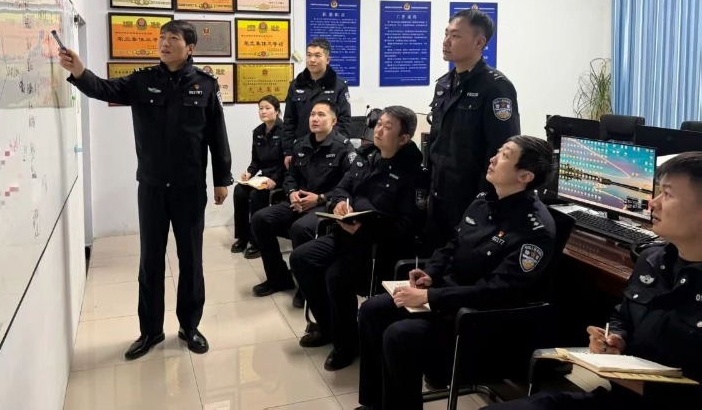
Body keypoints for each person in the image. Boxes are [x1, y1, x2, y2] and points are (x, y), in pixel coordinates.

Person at [58, 20, 232, 359]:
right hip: (152, 186)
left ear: (190, 48)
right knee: (150, 260)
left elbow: (217, 135)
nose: (164, 43)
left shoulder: (206, 85)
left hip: (189, 187)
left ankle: (190, 326)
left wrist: (221, 179)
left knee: (191, 259)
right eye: (162, 38)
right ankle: (150, 331)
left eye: (173, 38)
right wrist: (79, 71)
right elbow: (104, 89)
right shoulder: (142, 80)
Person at [487, 152, 702, 410]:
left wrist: (637, 384)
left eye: (667, 194)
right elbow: (623, 317)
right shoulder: (652, 259)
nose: (652, 203)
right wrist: (616, 338)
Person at [356, 136, 557, 410]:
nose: (493, 158)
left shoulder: (535, 231)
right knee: (372, 310)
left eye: (505, 155)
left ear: (525, 176)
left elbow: (496, 292)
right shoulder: (484, 201)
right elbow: (452, 245)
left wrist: (430, 297)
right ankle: (374, 403)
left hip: (476, 319)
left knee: (400, 336)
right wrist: (431, 273)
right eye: (498, 150)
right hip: (447, 297)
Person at [290, 106, 429, 372]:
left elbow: (407, 227)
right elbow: (342, 187)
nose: (379, 130)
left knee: (335, 276)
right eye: (379, 124)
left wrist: (368, 227)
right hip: (346, 234)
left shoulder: (414, 174)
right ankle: (329, 327)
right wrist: (341, 203)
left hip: (378, 248)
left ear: (404, 138)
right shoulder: (366, 155)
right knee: (301, 258)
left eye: (388, 127)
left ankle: (346, 346)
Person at [427, 8, 521, 250]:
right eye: (446, 34)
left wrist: (483, 200)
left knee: (463, 261)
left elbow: (503, 148)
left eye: (456, 36)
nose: (446, 41)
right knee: (436, 259)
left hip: (471, 199)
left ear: (479, 42)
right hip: (438, 195)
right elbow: (437, 140)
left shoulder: (496, 87)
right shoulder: (444, 84)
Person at [251, 100, 355, 304]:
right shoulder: (300, 144)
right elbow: (290, 176)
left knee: (300, 228)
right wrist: (291, 193)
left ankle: (308, 286)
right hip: (298, 201)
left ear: (334, 121)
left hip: (325, 204)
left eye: (321, 115)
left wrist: (320, 198)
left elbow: (348, 186)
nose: (315, 118)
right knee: (260, 219)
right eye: (312, 114)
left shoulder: (344, 147)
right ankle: (278, 278)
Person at [282, 37, 351, 169]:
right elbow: (289, 121)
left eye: (317, 56)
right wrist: (288, 151)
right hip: (301, 150)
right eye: (309, 55)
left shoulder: (339, 86)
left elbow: (344, 121)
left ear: (327, 60)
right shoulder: (296, 85)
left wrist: (334, 146)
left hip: (329, 150)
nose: (312, 60)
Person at [231, 95, 285, 259]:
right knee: (239, 191)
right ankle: (243, 237)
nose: (263, 111)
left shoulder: (285, 131)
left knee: (257, 195)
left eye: (267, 108)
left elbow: (288, 163)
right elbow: (255, 161)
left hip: (280, 178)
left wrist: (275, 179)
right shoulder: (258, 132)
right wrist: (249, 173)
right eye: (261, 108)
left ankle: (257, 242)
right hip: (262, 178)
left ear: (277, 111)